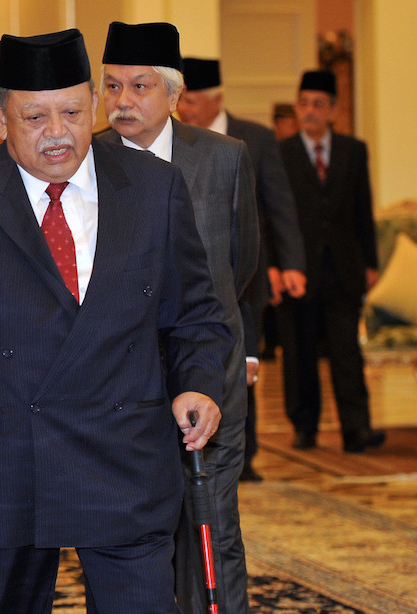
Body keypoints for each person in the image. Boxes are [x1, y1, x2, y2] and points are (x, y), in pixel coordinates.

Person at [0, 28, 231, 614]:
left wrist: (198, 382)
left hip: (124, 460)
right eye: (35, 116)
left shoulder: (153, 187)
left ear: (92, 104)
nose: (57, 133)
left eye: (72, 112)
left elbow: (196, 312)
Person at [96, 22, 259, 614]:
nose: (122, 101)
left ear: (174, 94)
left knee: (214, 529)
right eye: (111, 86)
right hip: (120, 386)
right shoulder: (83, 162)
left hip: (209, 380)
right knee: (130, 538)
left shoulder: (224, 159)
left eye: (139, 86)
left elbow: (239, 267)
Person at [178, 57, 307, 482]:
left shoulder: (254, 138)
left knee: (242, 366)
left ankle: (244, 455)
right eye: (182, 99)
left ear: (217, 98)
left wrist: (291, 264)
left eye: (193, 100)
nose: (186, 108)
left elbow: (280, 205)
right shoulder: (171, 142)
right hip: (193, 276)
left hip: (247, 269)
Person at [277, 70, 383, 454]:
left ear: (334, 111)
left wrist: (370, 263)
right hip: (297, 272)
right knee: (299, 353)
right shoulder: (282, 153)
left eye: (318, 105)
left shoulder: (354, 151)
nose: (309, 111)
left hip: (344, 270)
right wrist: (275, 266)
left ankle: (357, 428)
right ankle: (304, 427)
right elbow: (273, 214)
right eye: (303, 103)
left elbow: (363, 210)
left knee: (346, 353)